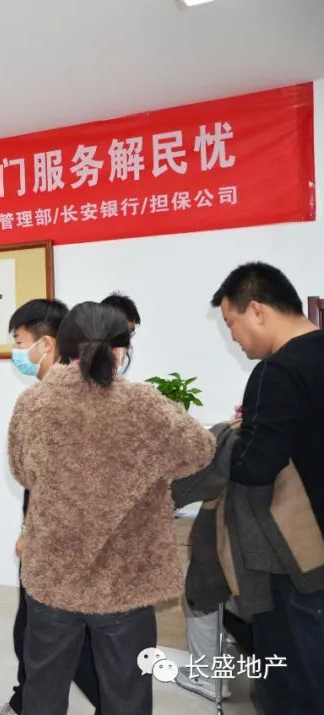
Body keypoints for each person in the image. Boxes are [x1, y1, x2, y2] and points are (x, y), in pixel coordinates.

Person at [8, 302, 214, 715]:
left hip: (52, 578)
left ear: (64, 347)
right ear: (121, 349)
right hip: (124, 582)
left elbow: (21, 471)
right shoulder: (143, 404)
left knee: (42, 692)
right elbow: (201, 450)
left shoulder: (33, 404)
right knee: (127, 697)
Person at [211, 262, 324, 713]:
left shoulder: (277, 372)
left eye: (231, 323)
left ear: (256, 310)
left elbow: (256, 466)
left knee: (293, 681)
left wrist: (225, 443)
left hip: (300, 555)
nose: (233, 338)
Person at [0, 299, 106, 715]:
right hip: (50, 535)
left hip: (57, 541)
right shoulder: (50, 396)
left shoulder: (55, 401)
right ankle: (24, 701)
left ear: (46, 344)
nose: (15, 350)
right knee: (33, 632)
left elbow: (49, 482)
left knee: (54, 637)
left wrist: (31, 533)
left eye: (19, 341)